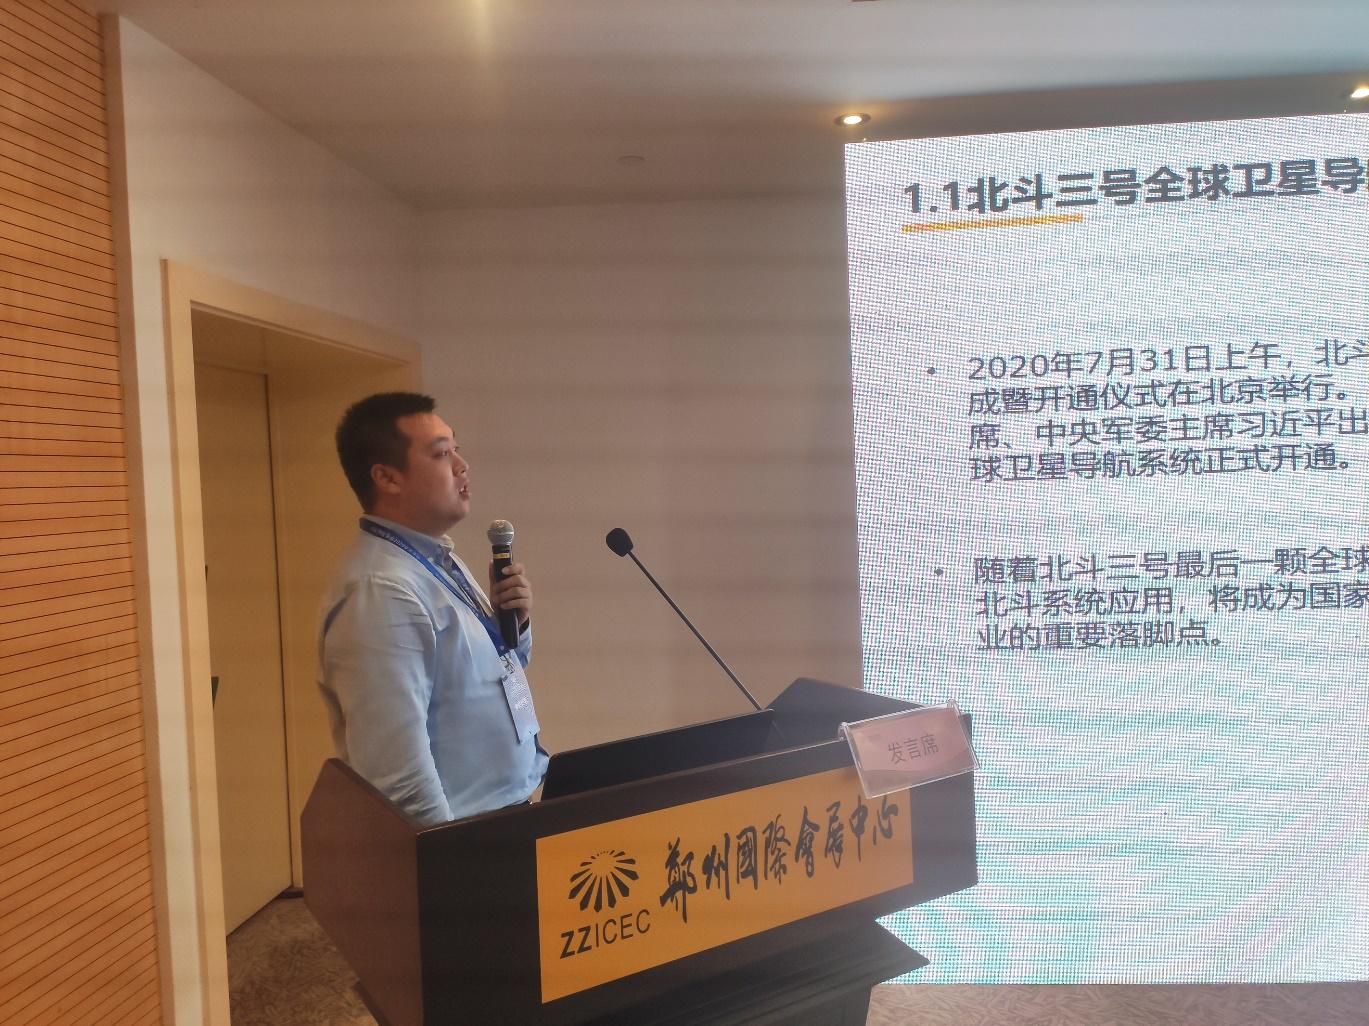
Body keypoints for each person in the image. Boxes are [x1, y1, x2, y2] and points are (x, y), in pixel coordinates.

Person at [317, 392, 546, 826]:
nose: (462, 465)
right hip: (466, 839)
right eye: (442, 454)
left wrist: (513, 625)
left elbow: (498, 671)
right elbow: (398, 775)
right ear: (388, 477)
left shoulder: (435, 560)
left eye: (456, 448)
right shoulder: (380, 590)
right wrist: (446, 856)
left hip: (505, 818)